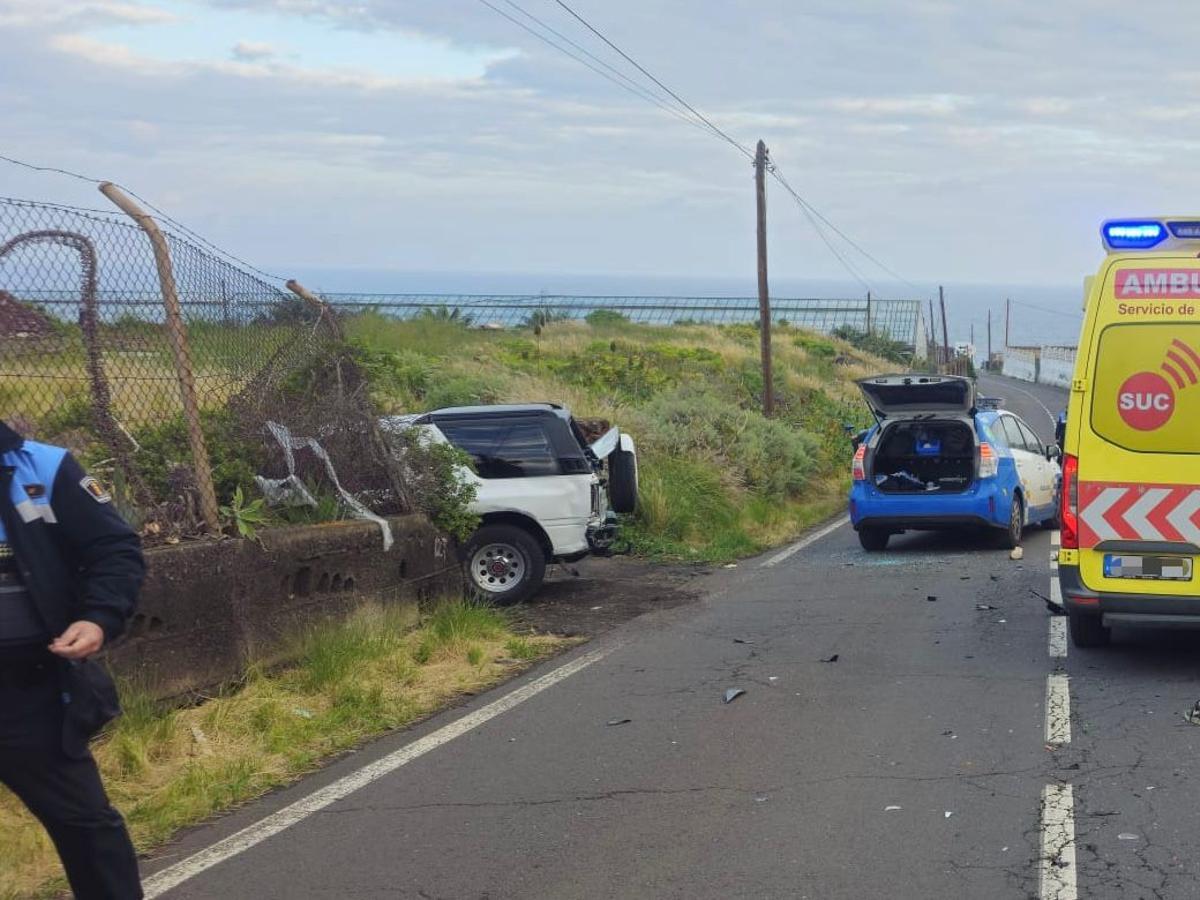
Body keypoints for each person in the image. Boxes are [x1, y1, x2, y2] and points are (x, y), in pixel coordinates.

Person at [0, 420, 144, 899]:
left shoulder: (43, 466)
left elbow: (114, 549)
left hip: (29, 689)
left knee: (87, 829)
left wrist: (98, 618)